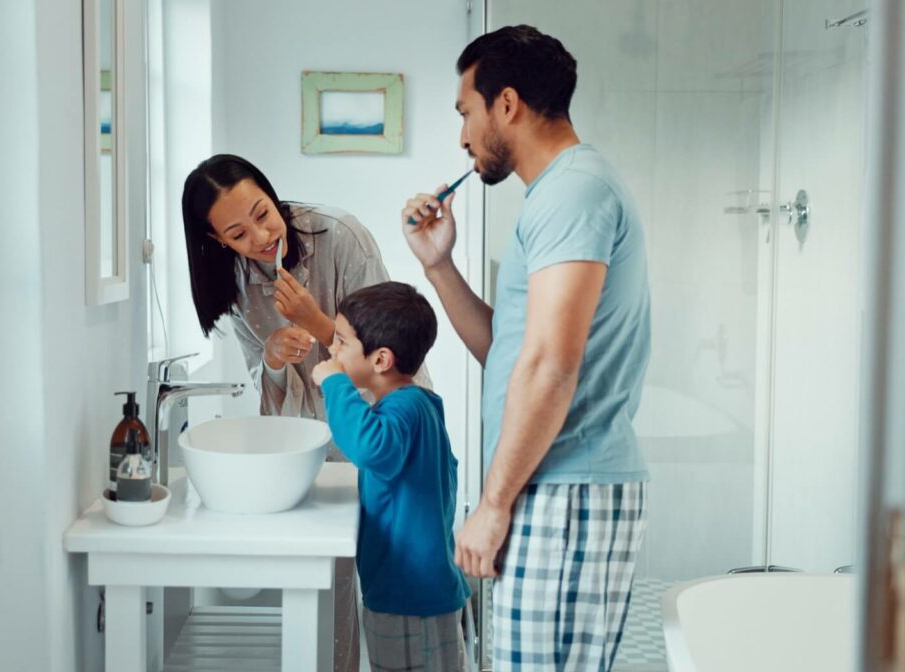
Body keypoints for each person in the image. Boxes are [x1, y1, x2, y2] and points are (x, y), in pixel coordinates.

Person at [400, 25, 651, 671]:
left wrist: (492, 504)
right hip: (552, 482)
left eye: (465, 112)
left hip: (568, 484)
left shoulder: (573, 191)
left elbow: (550, 365)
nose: (462, 136)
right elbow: (511, 354)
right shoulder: (557, 195)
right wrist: (439, 266)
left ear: (505, 104)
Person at [182, 153, 396, 672]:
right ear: (217, 242)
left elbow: (389, 356)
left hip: (381, 426)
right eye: (237, 233)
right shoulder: (231, 276)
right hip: (313, 443)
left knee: (395, 589)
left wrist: (319, 323)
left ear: (272, 194)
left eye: (262, 212)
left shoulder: (341, 236)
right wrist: (274, 356)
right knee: (333, 582)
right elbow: (264, 379)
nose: (259, 236)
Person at [311, 282, 471, 672]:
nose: (333, 351)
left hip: (410, 598)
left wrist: (334, 382)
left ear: (381, 359)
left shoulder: (405, 409)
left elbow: (369, 448)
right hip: (415, 592)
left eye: (342, 343)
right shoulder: (417, 405)